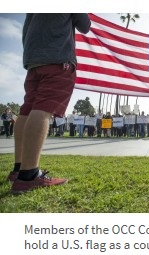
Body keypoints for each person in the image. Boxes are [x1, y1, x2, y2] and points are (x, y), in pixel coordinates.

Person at [8, 14, 91, 193]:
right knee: (43, 109)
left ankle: (18, 169)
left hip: (33, 59)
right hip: (57, 58)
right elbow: (85, 25)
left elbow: (26, 30)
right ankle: (29, 175)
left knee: (27, 110)